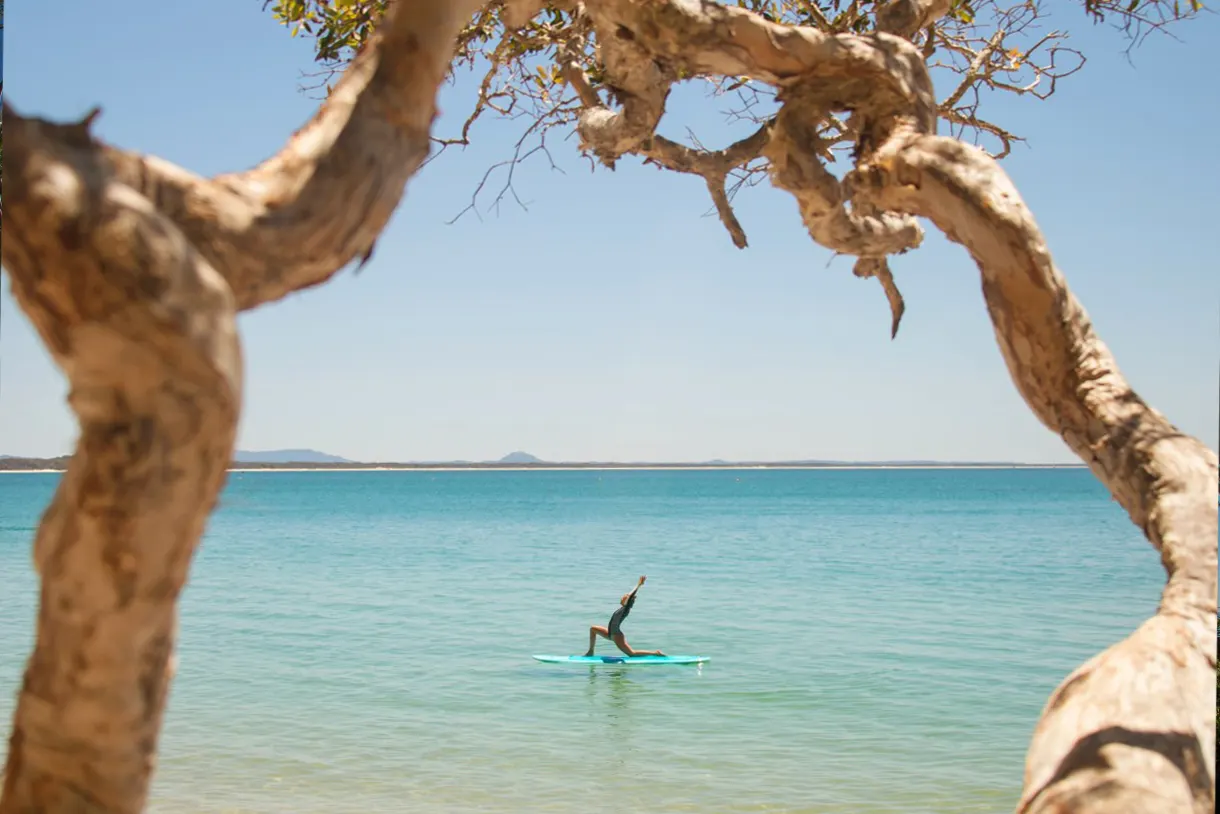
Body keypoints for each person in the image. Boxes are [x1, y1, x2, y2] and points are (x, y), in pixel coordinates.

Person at [584, 575, 664, 657]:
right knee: (593, 629)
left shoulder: (625, 609)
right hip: (609, 633)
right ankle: (591, 651)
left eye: (624, 597)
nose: (622, 597)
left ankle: (655, 653)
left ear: (627, 601)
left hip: (616, 635)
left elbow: (630, 596)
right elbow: (629, 597)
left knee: (632, 654)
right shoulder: (622, 608)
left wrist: (638, 585)